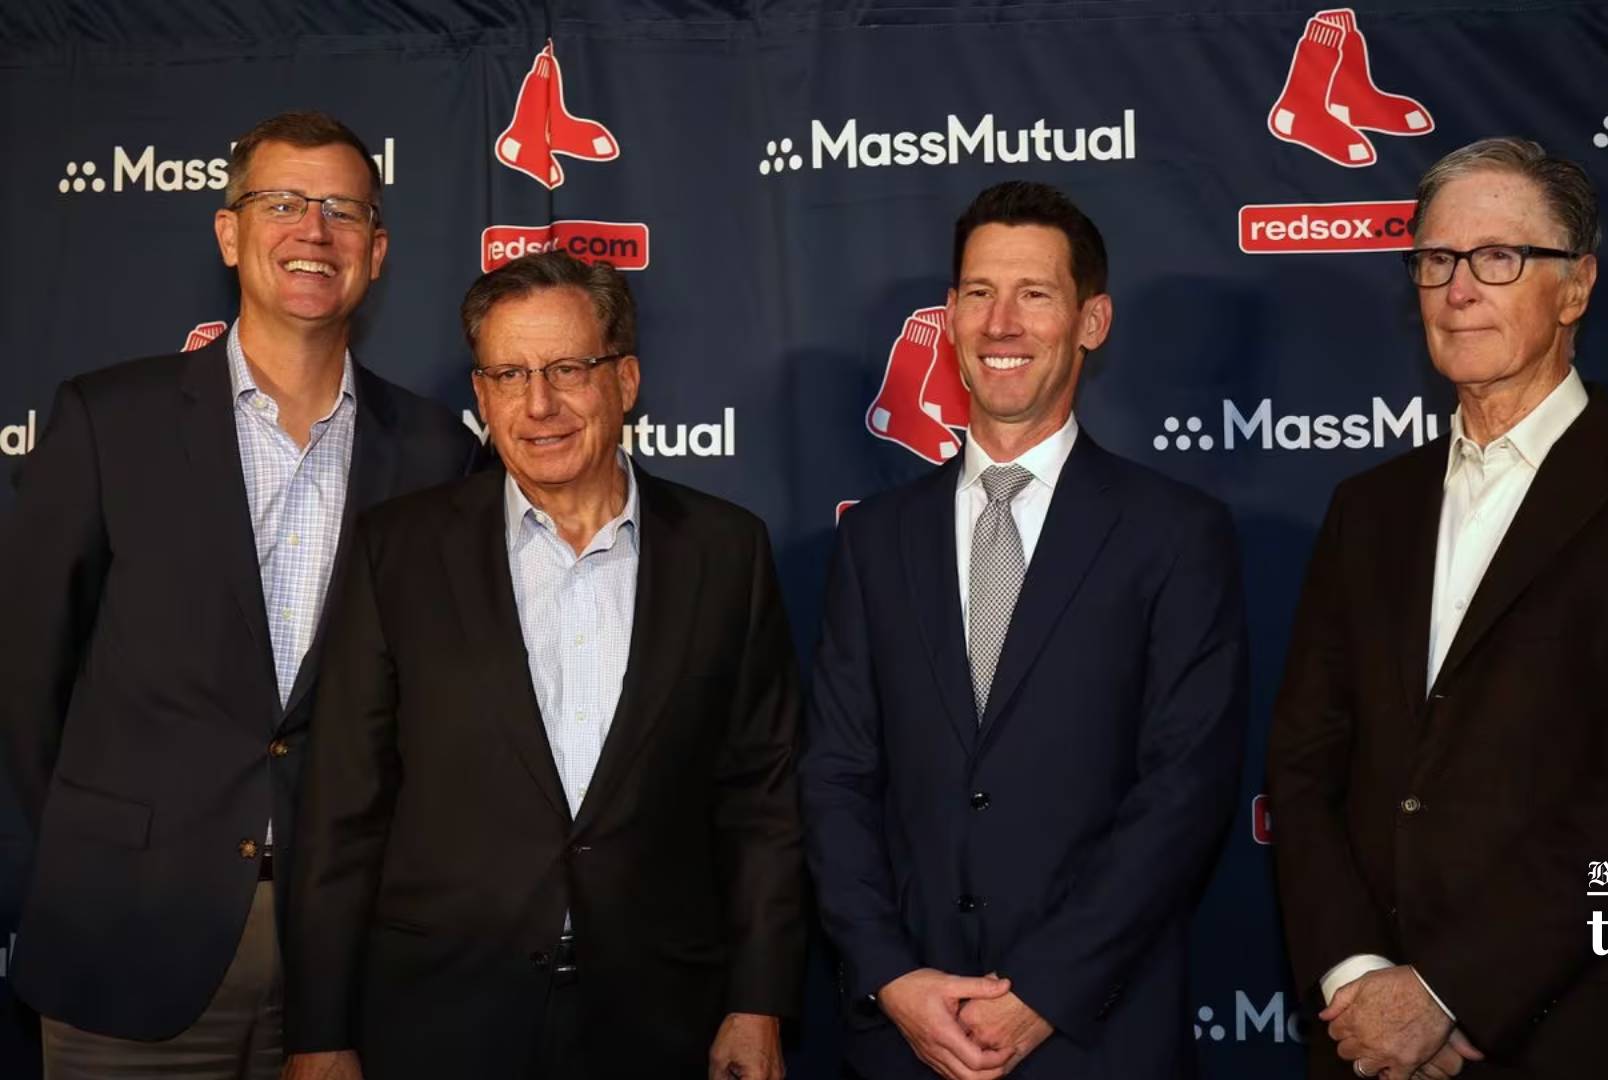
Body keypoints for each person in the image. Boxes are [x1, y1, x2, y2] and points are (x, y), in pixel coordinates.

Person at [1265, 137, 1608, 1080]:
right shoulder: (1367, 509)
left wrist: (1444, 992)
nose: (1458, 289)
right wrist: (1360, 976)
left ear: (1575, 288)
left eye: (1498, 258)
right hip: (1366, 1044)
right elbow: (1302, 766)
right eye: (1436, 260)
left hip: (1580, 1035)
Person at [0, 110, 472, 1079]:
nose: (314, 230)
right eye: (283, 203)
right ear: (228, 231)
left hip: (348, 961)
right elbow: (23, 675)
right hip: (125, 933)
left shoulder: (437, 454)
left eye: (343, 210)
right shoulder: (108, 420)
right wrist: (81, 859)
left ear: (376, 252)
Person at [283, 251, 807, 1080]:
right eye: (510, 375)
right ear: (482, 397)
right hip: (439, 1018)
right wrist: (318, 1031)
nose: (539, 405)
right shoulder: (399, 550)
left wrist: (759, 999)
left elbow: (762, 801)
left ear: (625, 380)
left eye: (568, 368)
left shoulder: (724, 551)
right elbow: (342, 805)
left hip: (661, 1018)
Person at [803, 180, 1249, 1080]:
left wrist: (1043, 991)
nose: (1001, 323)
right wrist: (891, 977)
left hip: (1095, 1036)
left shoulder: (1174, 533)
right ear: (951, 315)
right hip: (903, 1041)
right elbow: (836, 776)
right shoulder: (874, 539)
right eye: (977, 294)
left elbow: (1184, 790)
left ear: (1092, 321)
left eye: (1034, 295)